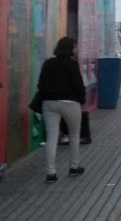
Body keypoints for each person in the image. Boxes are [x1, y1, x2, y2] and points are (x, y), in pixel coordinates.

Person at [36, 37, 87, 184]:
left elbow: (40, 84)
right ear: (70, 48)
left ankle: (50, 173)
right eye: (75, 47)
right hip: (70, 103)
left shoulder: (48, 63)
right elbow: (78, 85)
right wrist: (81, 100)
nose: (77, 49)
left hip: (49, 104)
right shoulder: (72, 64)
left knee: (52, 137)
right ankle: (74, 166)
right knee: (74, 135)